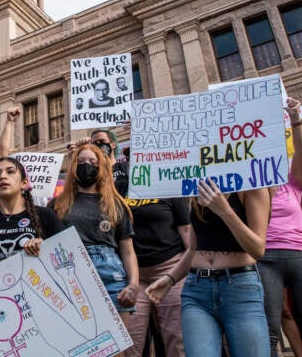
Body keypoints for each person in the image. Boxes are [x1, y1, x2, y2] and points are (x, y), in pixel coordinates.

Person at [146, 171, 272, 356]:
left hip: (240, 288)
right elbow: (193, 248)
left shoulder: (253, 184)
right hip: (197, 290)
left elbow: (257, 249)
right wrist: (170, 278)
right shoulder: (199, 185)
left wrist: (224, 210)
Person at [49, 143, 138, 327]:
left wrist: (134, 284)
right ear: (73, 167)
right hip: (69, 277)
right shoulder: (56, 205)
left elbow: (128, 251)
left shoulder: (115, 204)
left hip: (110, 277)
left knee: (116, 349)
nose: (86, 165)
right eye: (80, 161)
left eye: (92, 161)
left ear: (101, 167)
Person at [0, 156, 64, 272]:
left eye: (10, 172)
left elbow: (68, 253)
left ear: (24, 183)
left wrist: (45, 247)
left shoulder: (45, 215)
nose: (2, 176)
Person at [258, 97, 302, 357]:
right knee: (270, 326)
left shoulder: (292, 180)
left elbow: (301, 152)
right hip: (264, 258)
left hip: (298, 254)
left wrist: (295, 119)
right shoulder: (251, 187)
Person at [124, 193, 190, 357]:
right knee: (129, 342)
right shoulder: (121, 184)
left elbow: (188, 234)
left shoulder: (168, 184)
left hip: (170, 269)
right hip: (133, 275)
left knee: (177, 339)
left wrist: (185, 269)